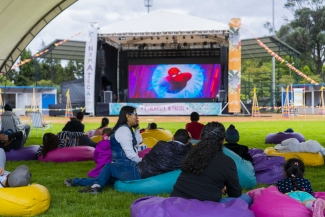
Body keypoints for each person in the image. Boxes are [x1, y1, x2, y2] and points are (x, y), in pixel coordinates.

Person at [64, 129, 191, 194]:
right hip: (150, 175)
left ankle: (94, 186)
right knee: (107, 179)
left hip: (139, 171)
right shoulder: (187, 153)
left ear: (173, 137)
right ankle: (76, 181)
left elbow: (148, 157)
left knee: (109, 167)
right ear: (187, 142)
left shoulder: (162, 144)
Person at [171, 122, 252, 205]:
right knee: (246, 199)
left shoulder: (191, 153)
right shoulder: (227, 161)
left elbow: (198, 181)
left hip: (176, 201)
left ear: (202, 137)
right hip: (203, 207)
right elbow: (235, 193)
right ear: (223, 140)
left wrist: (217, 186)